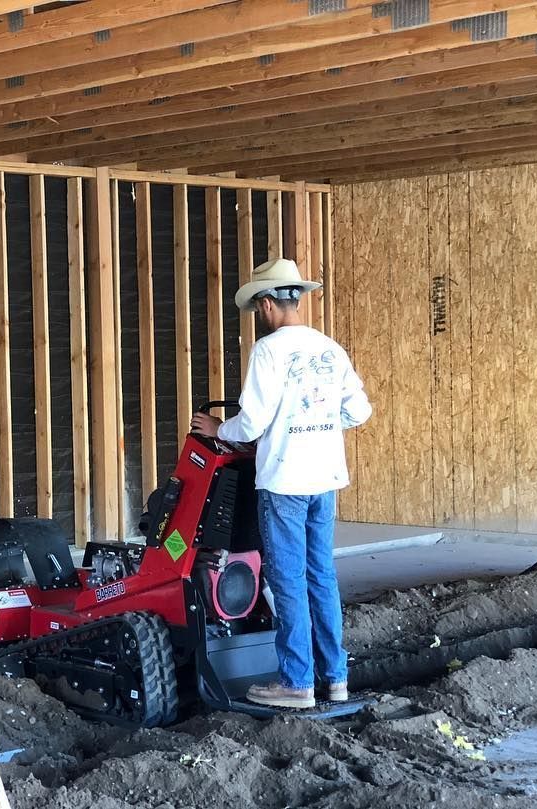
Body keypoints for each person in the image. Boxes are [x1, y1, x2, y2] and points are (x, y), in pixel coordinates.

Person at [190, 257, 371, 709]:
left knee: (287, 581)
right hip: (324, 478)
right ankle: (335, 678)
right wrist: (318, 426)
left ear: (269, 303)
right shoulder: (330, 349)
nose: (260, 317)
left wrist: (217, 429)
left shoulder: (269, 352)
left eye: (259, 309)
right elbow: (358, 412)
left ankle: (296, 683)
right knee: (321, 578)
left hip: (286, 482)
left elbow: (250, 424)